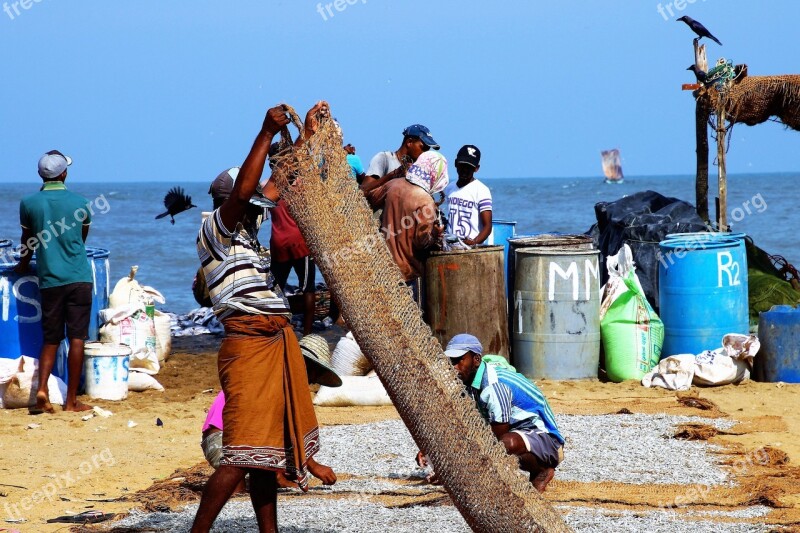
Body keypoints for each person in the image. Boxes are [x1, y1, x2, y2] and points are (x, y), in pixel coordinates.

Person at [192, 101, 331, 533]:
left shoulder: (248, 235)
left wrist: (306, 137)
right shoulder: (217, 229)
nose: (258, 206)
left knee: (263, 455)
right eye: (249, 202)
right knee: (240, 455)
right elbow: (248, 190)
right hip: (249, 346)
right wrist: (265, 132)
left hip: (274, 343)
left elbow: (278, 183)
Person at [417, 334, 564, 493]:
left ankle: (541, 470)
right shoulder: (469, 382)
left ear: (476, 360)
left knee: (505, 444)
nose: (453, 366)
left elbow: (495, 442)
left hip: (548, 442)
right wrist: (430, 449)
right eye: (450, 361)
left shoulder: (493, 386)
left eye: (459, 360)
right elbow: (457, 422)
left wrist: (456, 470)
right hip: (519, 435)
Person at [202, 334, 341, 491]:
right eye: (314, 375)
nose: (312, 381)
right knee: (236, 487)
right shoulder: (276, 380)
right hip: (221, 439)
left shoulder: (276, 374)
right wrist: (313, 466)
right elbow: (284, 429)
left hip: (230, 437)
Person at [14, 150, 94, 414]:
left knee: (51, 339)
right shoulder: (81, 202)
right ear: (64, 173)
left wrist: (23, 266)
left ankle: (42, 389)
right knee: (77, 338)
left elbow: (27, 243)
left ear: (40, 174)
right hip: (79, 277)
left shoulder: (29, 203)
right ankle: (71, 402)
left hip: (50, 280)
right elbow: (82, 239)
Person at [366, 150, 448, 304]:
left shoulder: (394, 185)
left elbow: (371, 196)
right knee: (409, 320)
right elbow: (421, 241)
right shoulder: (426, 201)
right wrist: (436, 235)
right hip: (408, 272)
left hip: (384, 267)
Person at [263, 144, 317, 335]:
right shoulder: (301, 184)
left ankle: (274, 328)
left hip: (278, 243)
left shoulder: (267, 188)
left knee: (275, 289)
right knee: (308, 288)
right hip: (301, 243)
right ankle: (308, 333)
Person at [359, 124, 440, 195]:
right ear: (409, 142)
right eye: (423, 148)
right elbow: (363, 190)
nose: (425, 153)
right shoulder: (384, 158)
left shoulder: (418, 172)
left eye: (427, 150)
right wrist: (394, 174)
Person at [445, 145, 493, 245]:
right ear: (456, 163)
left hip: (471, 250)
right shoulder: (449, 188)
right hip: (450, 248)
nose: (465, 170)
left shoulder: (482, 190)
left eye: (469, 167)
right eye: (462, 166)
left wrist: (474, 242)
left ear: (476, 168)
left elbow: (487, 226)